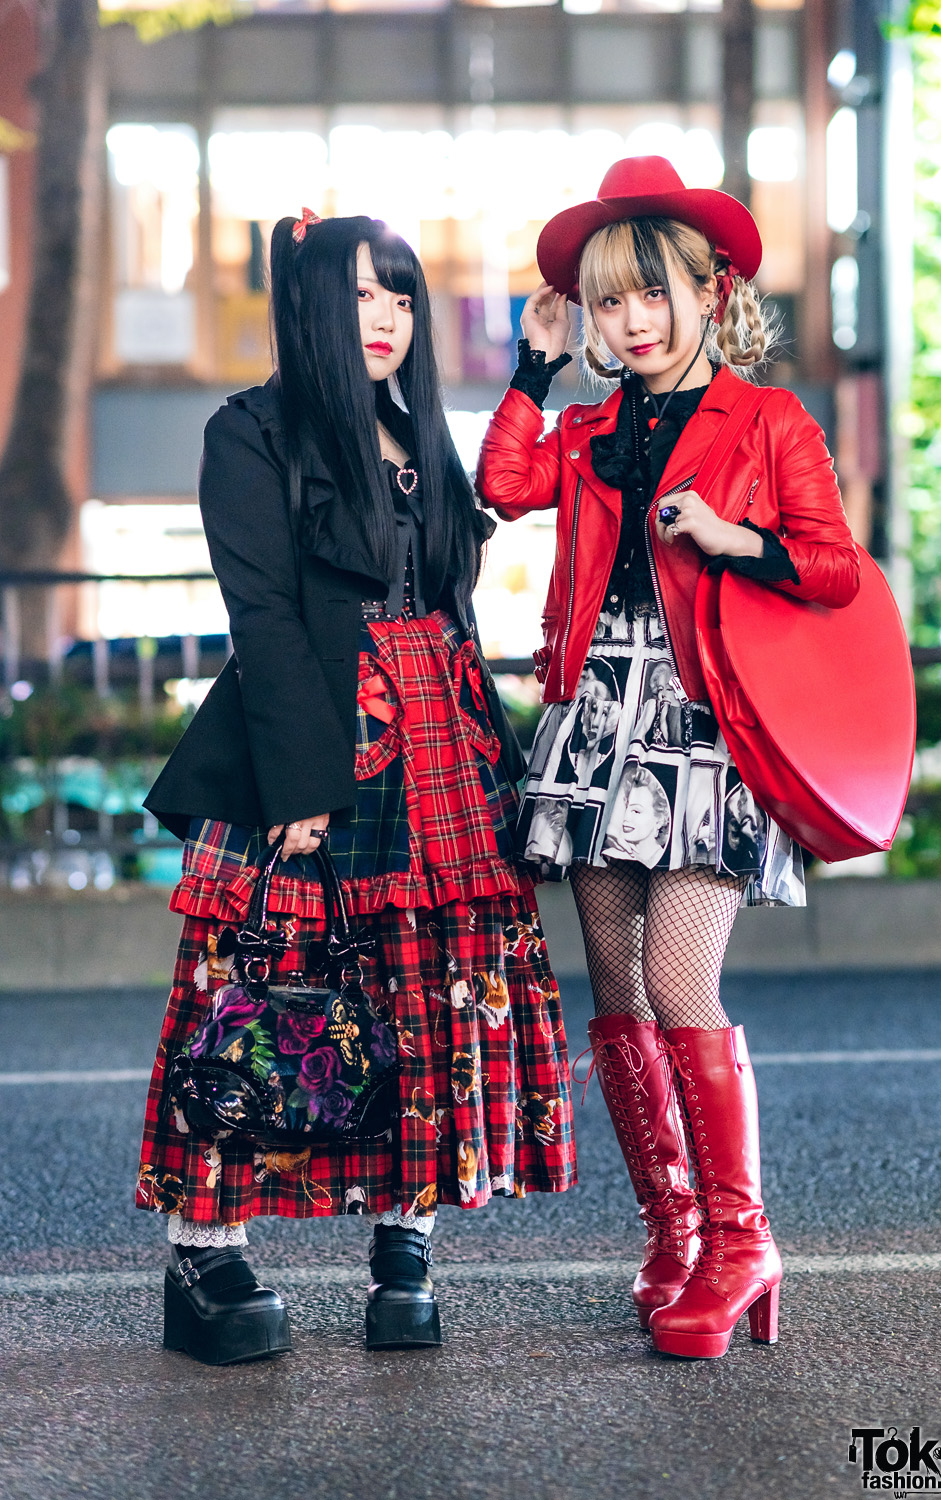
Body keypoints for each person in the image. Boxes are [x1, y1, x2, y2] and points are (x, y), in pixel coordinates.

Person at [137, 211, 576, 1365]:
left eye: (401, 298)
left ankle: (404, 1255)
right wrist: (303, 782)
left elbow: (453, 578)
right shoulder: (249, 436)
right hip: (316, 741)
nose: (385, 319)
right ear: (309, 309)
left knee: (429, 990)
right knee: (257, 995)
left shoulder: (416, 430)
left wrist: (534, 368)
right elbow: (265, 616)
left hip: (442, 745)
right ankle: (206, 1253)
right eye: (361, 296)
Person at [477, 156, 860, 1359]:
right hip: (598, 712)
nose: (629, 321)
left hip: (706, 720)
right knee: (617, 989)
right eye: (604, 303)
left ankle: (744, 1245)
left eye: (650, 294)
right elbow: (501, 482)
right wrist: (533, 370)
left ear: (709, 288)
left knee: (682, 980)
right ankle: (673, 1229)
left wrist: (734, 536)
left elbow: (836, 569)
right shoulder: (588, 426)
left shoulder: (770, 420)